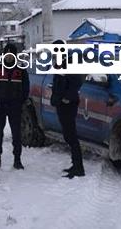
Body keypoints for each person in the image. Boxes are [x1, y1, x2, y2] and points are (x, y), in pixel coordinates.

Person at [50, 40, 85, 178]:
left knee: (71, 135)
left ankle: (79, 168)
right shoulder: (59, 63)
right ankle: (75, 164)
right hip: (61, 104)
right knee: (67, 135)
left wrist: (67, 98)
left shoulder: (71, 63)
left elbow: (77, 82)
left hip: (68, 105)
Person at [0, 43, 30, 170]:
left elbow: (26, 88)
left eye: (11, 55)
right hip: (0, 107)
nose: (9, 57)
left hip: (15, 107)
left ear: (15, 55)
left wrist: (21, 102)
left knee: (16, 134)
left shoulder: (21, 70)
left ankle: (17, 160)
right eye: (6, 54)